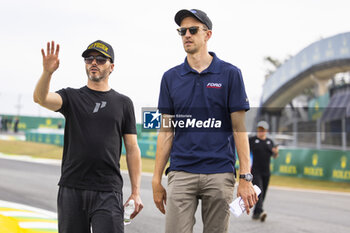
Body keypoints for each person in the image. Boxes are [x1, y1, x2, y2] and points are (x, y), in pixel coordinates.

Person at [152, 9, 258, 233]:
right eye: (182, 31)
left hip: (219, 173)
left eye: (193, 30)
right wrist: (155, 178)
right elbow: (166, 132)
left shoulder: (230, 74)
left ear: (207, 35)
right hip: (180, 172)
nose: (187, 35)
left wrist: (245, 177)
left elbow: (239, 129)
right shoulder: (170, 78)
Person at [33, 40, 143, 233]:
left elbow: (132, 148)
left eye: (100, 59)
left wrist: (136, 192)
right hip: (72, 187)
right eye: (89, 58)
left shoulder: (123, 103)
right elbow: (41, 98)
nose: (94, 62)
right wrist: (47, 72)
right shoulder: (71, 97)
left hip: (108, 189)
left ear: (112, 67)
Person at [249, 121, 279, 222]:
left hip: (266, 171)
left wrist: (276, 153)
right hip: (255, 171)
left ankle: (256, 213)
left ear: (266, 131)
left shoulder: (270, 142)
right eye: (259, 129)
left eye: (263, 130)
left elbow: (274, 156)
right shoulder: (252, 140)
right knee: (259, 191)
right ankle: (260, 211)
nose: (261, 131)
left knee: (264, 192)